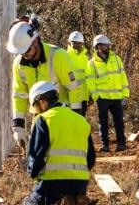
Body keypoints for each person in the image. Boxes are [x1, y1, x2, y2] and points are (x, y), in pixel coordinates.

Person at [7, 18, 85, 151]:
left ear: (36, 41)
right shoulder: (19, 64)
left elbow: (74, 89)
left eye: (26, 51)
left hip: (62, 114)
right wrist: (18, 125)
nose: (24, 56)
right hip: (38, 116)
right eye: (20, 53)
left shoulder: (58, 57)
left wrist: (76, 118)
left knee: (61, 154)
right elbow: (19, 95)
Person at [21, 80, 95, 205]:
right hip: (79, 183)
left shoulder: (43, 120)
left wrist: (33, 174)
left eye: (36, 107)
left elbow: (36, 156)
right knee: (69, 202)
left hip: (52, 183)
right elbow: (90, 159)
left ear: (42, 102)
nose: (36, 112)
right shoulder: (81, 120)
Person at [89, 34, 130, 152]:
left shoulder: (117, 59)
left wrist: (125, 94)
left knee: (119, 121)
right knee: (103, 123)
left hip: (117, 97)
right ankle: (105, 145)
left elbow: (123, 76)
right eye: (106, 45)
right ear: (98, 46)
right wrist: (96, 96)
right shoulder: (91, 64)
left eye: (108, 45)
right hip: (102, 98)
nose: (108, 47)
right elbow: (90, 81)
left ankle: (121, 144)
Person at [65, 30, 95, 117]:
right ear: (70, 43)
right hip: (71, 96)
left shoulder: (85, 58)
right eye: (74, 43)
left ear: (82, 43)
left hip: (83, 96)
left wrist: (90, 95)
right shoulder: (65, 56)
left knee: (81, 120)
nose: (76, 46)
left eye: (78, 43)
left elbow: (88, 77)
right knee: (72, 121)